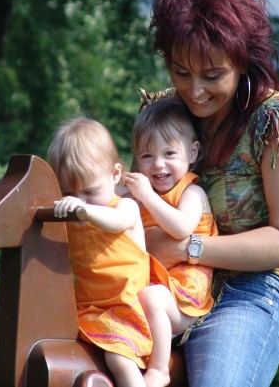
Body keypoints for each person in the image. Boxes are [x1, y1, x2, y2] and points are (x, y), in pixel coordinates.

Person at [143, 0, 279, 387]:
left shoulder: (274, 121)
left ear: (243, 60)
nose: (194, 90)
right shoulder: (166, 112)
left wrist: (188, 248)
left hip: (248, 295)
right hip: (161, 286)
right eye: (181, 72)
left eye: (212, 75)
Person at [47, 117, 174, 387]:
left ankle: (155, 374)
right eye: (69, 192)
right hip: (90, 310)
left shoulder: (124, 207)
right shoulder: (75, 218)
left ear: (115, 175)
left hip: (127, 310)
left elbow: (116, 222)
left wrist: (84, 210)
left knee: (118, 360)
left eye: (90, 191)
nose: (79, 201)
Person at [123, 97, 218, 384]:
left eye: (169, 153)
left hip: (184, 295)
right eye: (147, 156)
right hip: (153, 287)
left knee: (151, 297)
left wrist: (146, 197)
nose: (158, 164)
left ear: (192, 152)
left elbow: (181, 228)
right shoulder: (142, 194)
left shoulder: (192, 193)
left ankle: (159, 370)